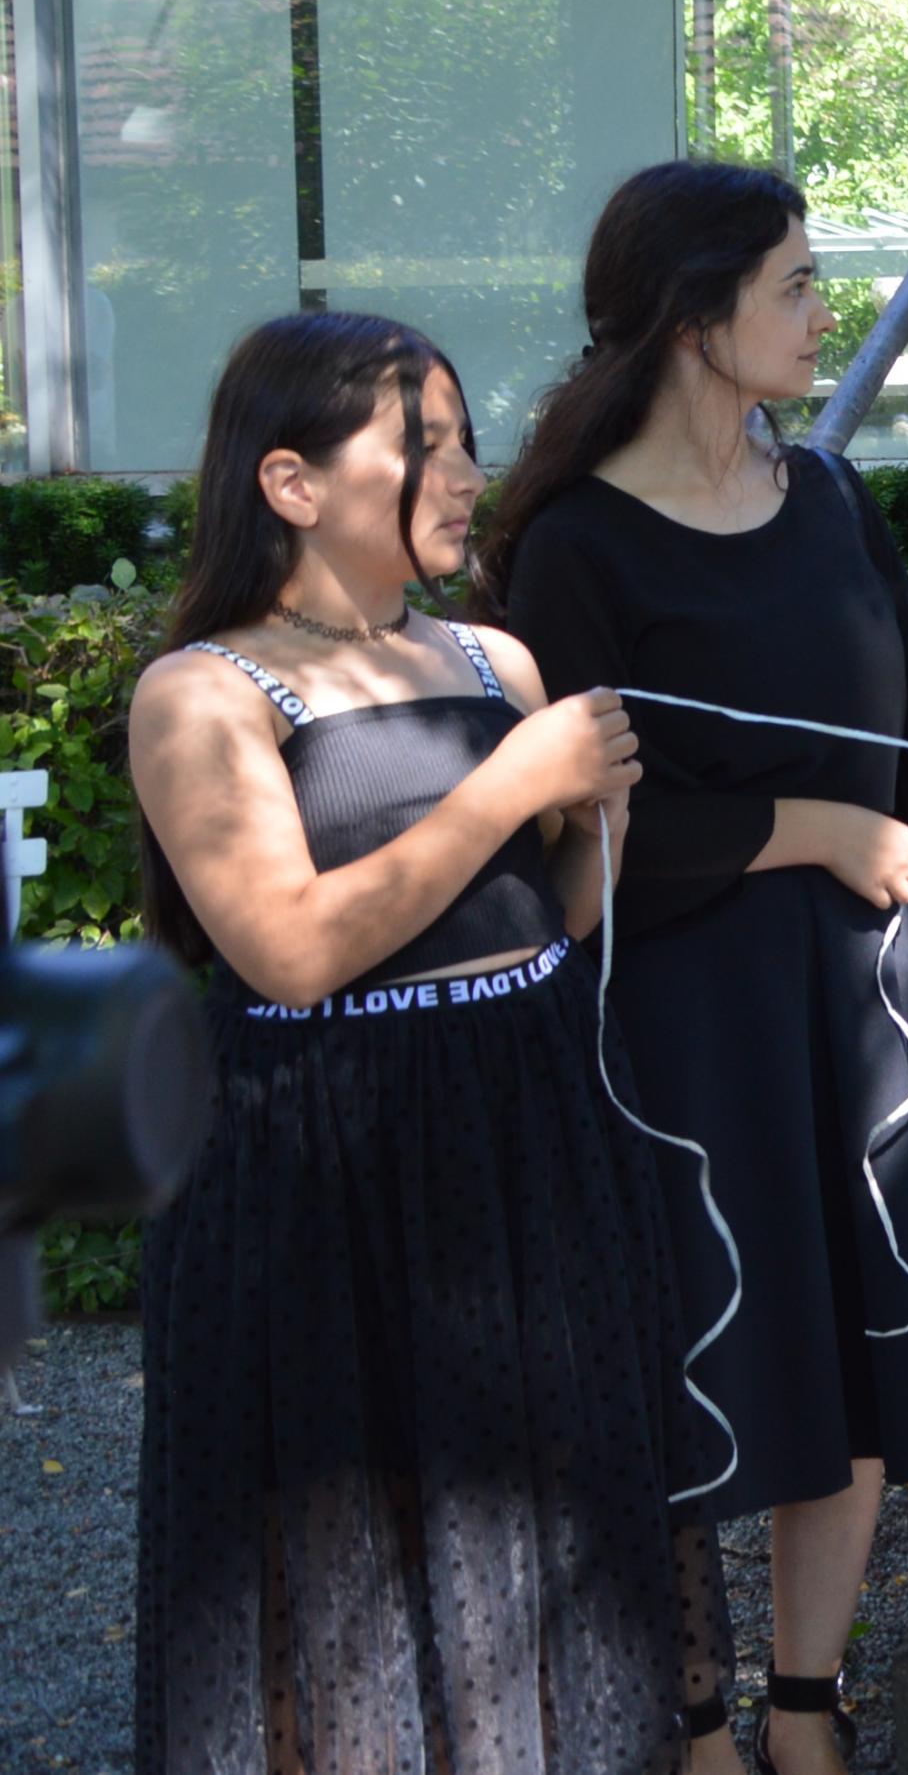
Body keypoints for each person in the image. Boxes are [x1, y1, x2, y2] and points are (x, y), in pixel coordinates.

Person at [483, 164, 908, 1775]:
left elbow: (892, 739)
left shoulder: (822, 490)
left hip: (858, 995)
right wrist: (815, 830)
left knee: (858, 1357)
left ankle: (806, 1705)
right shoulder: (576, 546)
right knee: (690, 1360)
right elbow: (591, 829)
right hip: (690, 1011)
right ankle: (693, 1723)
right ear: (696, 319)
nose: (826, 310)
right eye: (796, 284)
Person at [128, 314, 735, 1773]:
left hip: (532, 1124)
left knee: (549, 1513)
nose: (465, 473)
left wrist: (600, 813)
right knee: (353, 1538)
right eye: (422, 443)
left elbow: (555, 915)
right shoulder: (202, 690)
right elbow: (286, 948)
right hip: (322, 1157)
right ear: (290, 481)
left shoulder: (492, 656)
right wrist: (510, 785)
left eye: (465, 440)